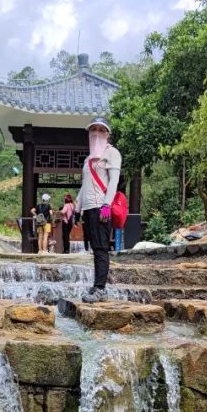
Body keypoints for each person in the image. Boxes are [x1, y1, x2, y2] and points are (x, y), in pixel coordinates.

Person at [77, 116, 120, 301]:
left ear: (108, 134)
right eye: (93, 130)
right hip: (88, 209)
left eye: (101, 130)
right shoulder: (88, 160)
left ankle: (101, 289)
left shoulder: (112, 153)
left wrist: (106, 205)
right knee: (95, 249)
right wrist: (77, 207)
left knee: (101, 248)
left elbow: (114, 181)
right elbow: (85, 185)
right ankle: (96, 286)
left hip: (102, 207)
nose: (97, 133)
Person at [111, 179, 129, 253]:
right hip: (120, 219)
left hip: (110, 219)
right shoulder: (123, 196)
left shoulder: (110, 195)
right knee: (118, 234)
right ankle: (117, 250)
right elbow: (126, 208)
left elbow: (106, 205)